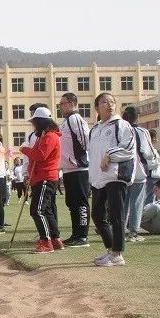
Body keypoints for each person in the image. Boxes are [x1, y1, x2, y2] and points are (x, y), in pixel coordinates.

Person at [88, 93, 136, 267]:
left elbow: (129, 148)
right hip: (98, 178)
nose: (108, 104)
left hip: (115, 175)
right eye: (104, 102)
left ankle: (117, 254)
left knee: (116, 215)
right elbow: (91, 154)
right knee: (97, 215)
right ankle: (110, 249)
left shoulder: (122, 125)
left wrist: (110, 155)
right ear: (97, 107)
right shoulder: (94, 129)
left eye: (112, 102)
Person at [20, 107, 63, 253]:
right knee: (47, 210)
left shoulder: (50, 137)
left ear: (40, 122)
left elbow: (40, 155)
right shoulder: (44, 136)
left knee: (37, 210)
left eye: (35, 122)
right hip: (41, 177)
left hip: (45, 177)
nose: (33, 125)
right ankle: (55, 239)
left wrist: (25, 149)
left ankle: (45, 241)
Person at [57, 92, 91, 247]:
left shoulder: (75, 119)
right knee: (72, 203)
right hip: (68, 169)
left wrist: (81, 159)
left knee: (81, 202)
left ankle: (82, 236)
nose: (60, 106)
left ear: (71, 103)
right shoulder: (66, 121)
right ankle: (75, 234)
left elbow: (85, 139)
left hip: (79, 168)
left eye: (62, 103)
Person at [122, 106, 156, 242]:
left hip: (123, 171)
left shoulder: (121, 129)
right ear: (138, 116)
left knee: (123, 202)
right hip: (138, 172)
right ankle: (133, 232)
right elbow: (148, 151)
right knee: (136, 202)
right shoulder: (142, 131)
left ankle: (119, 229)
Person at [144, 129, 160, 205]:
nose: (157, 139)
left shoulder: (153, 150)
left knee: (157, 199)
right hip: (152, 178)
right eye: (156, 137)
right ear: (153, 138)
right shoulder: (148, 150)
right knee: (150, 198)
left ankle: (153, 215)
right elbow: (150, 165)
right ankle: (147, 215)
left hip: (156, 177)